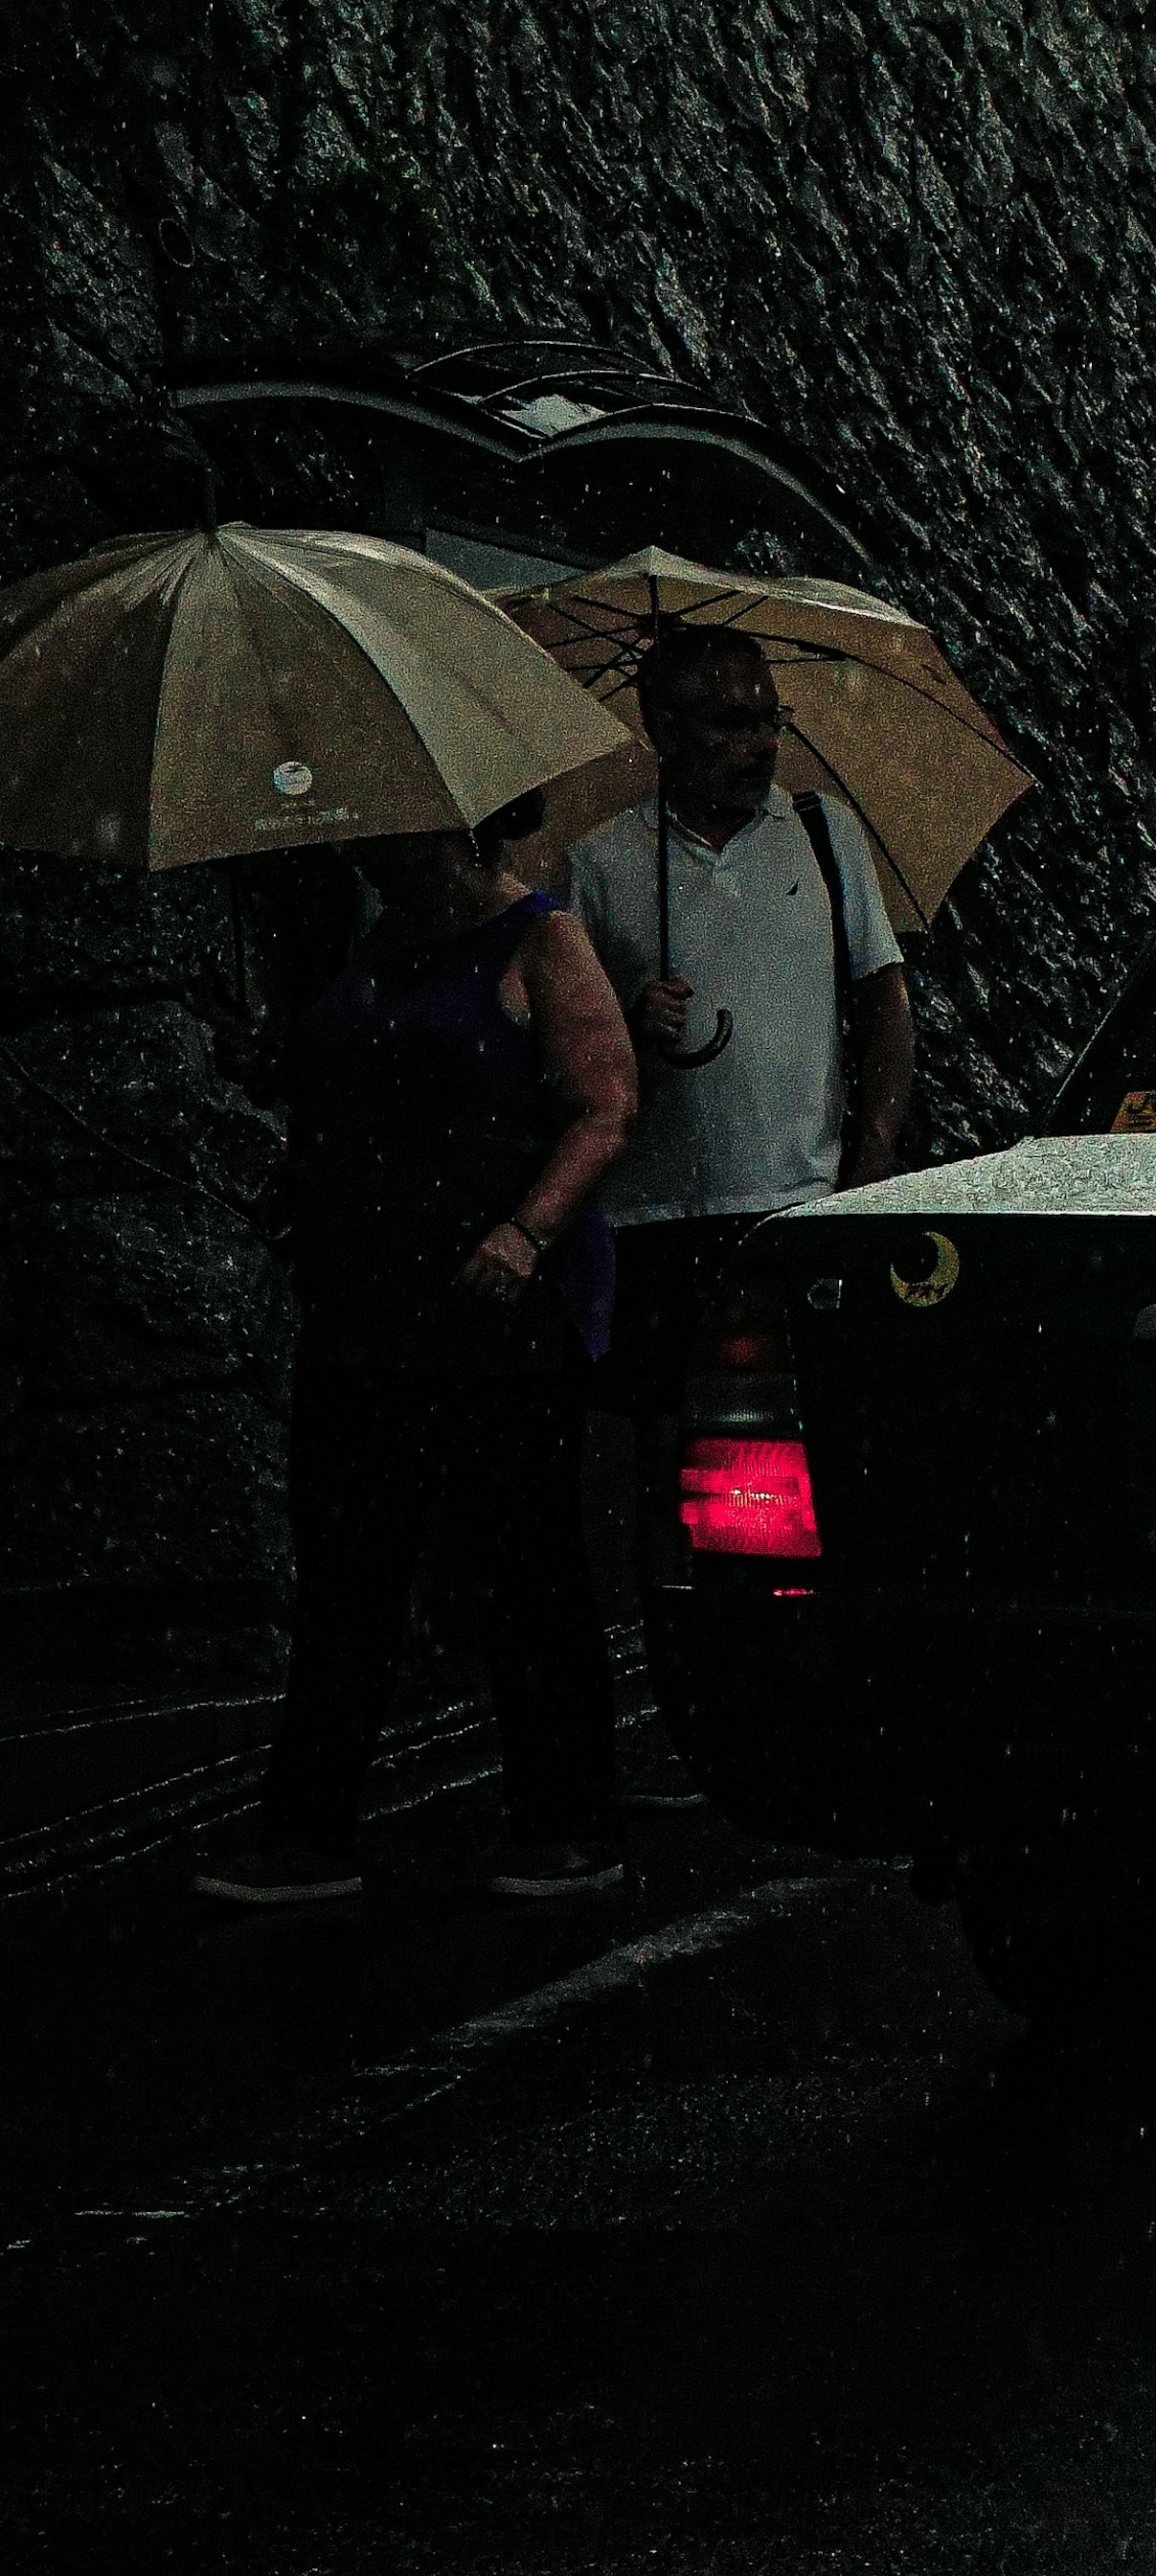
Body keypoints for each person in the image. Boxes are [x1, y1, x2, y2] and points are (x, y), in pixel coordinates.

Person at [197, 804, 640, 1912]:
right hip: (366, 1315)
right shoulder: (373, 948)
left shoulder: (542, 941)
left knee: (524, 1572)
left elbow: (604, 1107)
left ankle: (569, 1820)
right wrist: (275, 1063)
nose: (364, 851)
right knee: (350, 1577)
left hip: (496, 1325)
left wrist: (527, 1230)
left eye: (387, 834)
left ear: (455, 830)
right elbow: (360, 1091)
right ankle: (310, 1832)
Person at [564, 622, 916, 1493]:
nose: (760, 745)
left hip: (796, 1207)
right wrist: (627, 1027)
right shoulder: (601, 867)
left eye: (770, 719)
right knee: (655, 1448)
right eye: (730, 723)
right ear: (664, 729)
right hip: (649, 1218)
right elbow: (565, 1060)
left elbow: (885, 1004)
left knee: (799, 1455)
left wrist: (869, 1171)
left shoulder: (822, 834)